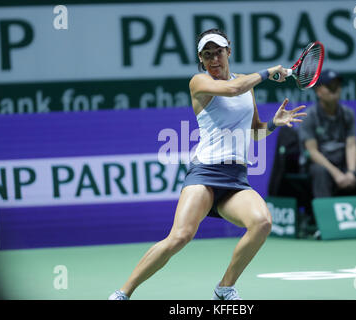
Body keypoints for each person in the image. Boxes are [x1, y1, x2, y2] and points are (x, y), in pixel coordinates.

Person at [108, 28, 307, 300]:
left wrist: (273, 123)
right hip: (205, 174)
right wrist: (267, 72)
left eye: (219, 52)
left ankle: (224, 288)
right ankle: (123, 293)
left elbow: (254, 130)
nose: (214, 59)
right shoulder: (199, 82)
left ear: (229, 51)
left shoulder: (246, 87)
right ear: (200, 59)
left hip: (236, 179)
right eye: (207, 54)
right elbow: (232, 88)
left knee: (262, 223)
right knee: (179, 237)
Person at [298, 69, 356, 198]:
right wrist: (336, 173)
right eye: (329, 86)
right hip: (322, 165)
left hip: (344, 164)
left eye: (337, 86)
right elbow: (312, 152)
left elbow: (351, 145)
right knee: (320, 172)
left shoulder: (348, 113)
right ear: (318, 91)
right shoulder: (309, 116)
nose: (335, 90)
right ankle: (325, 217)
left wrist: (351, 172)